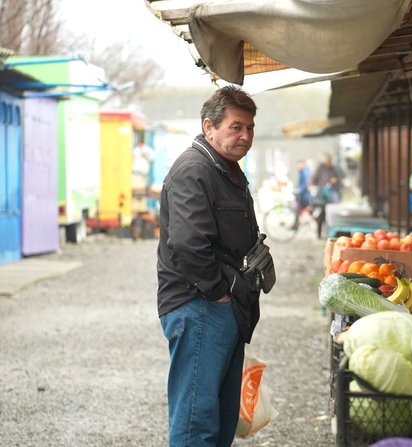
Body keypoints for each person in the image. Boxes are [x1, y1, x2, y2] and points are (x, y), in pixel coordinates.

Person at [156, 85, 264, 446]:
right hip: (199, 307)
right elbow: (187, 243)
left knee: (220, 420)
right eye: (236, 127)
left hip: (222, 308)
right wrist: (218, 292)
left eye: (249, 127)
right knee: (195, 423)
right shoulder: (194, 170)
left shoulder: (225, 169)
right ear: (209, 127)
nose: (245, 135)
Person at [310, 153, 343, 238]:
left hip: (331, 196)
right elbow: (313, 180)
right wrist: (313, 188)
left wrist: (335, 181)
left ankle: (328, 234)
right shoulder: (319, 168)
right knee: (321, 216)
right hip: (321, 196)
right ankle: (319, 233)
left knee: (330, 216)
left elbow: (339, 179)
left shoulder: (334, 168)